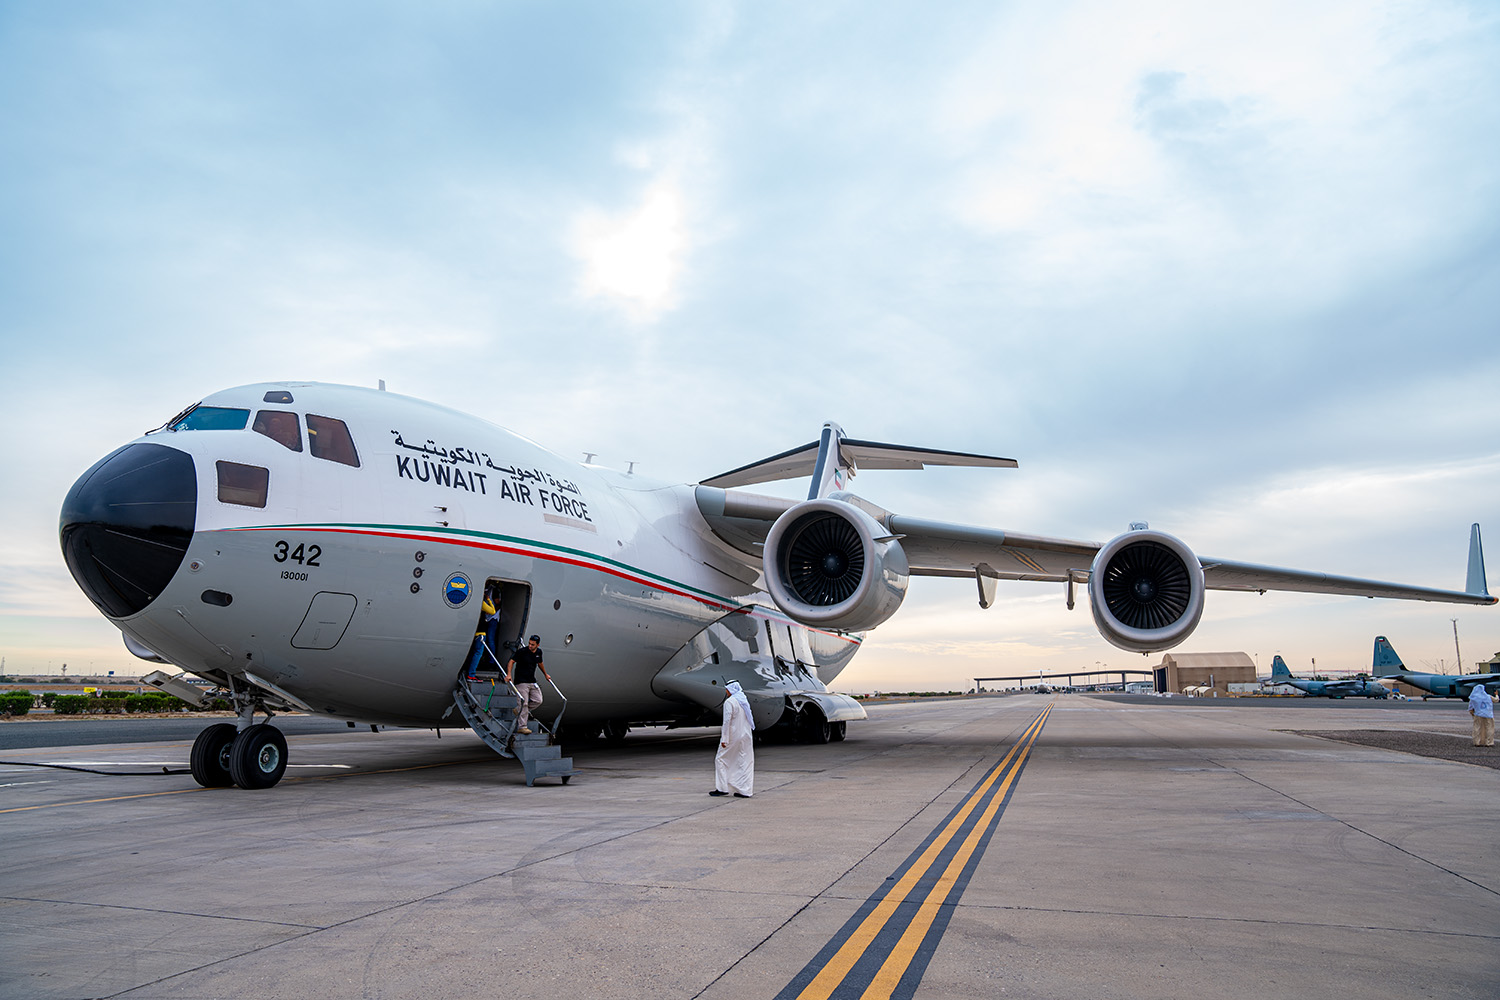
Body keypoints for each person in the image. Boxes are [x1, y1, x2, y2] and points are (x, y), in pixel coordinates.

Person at [710, 680, 755, 798]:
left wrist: (724, 739)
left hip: (733, 736)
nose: (726, 691)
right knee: (744, 761)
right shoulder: (743, 700)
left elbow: (726, 721)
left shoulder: (729, 702)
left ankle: (722, 788)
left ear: (730, 689)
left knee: (720, 759)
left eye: (727, 689)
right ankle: (745, 790)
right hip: (746, 736)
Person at [505, 634, 550, 735]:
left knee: (538, 700)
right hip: (521, 681)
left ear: (537, 645)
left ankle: (518, 710)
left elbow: (540, 663)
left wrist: (546, 674)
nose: (530, 646)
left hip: (532, 681)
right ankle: (522, 727)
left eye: (532, 644)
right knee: (524, 703)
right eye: (529, 643)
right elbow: (511, 661)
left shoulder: (539, 652)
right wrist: (508, 674)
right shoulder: (522, 652)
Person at [463, 586, 500, 678]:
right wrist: (489, 600)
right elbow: (492, 611)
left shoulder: (473, 603)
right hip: (481, 633)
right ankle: (472, 674)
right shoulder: (482, 603)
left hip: (474, 632)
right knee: (478, 653)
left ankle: (468, 669)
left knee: (472, 652)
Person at [1468, 683, 1494, 747]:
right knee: (1489, 728)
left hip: (1478, 714)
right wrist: (1496, 695)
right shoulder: (1488, 696)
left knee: (1477, 728)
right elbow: (1496, 700)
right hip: (1488, 715)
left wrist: (1472, 714)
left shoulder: (1473, 698)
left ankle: (1477, 742)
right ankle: (1489, 742)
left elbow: (1470, 707)